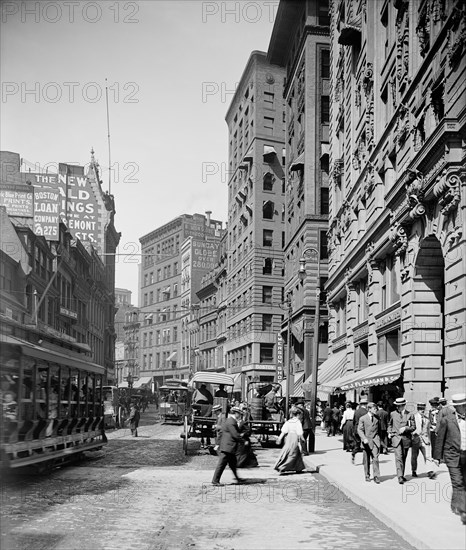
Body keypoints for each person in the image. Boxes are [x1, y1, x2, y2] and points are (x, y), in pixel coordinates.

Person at [433, 393, 466, 525]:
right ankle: (463, 510)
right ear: (456, 407)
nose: (463, 408)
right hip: (452, 455)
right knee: (458, 481)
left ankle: (455, 504)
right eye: (460, 406)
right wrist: (437, 457)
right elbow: (440, 438)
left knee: (463, 481)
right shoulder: (447, 419)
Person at [212, 407, 246, 485]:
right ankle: (215, 481)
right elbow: (235, 435)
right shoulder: (231, 422)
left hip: (228, 446)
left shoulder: (229, 421)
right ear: (236, 413)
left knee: (233, 464)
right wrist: (243, 441)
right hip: (228, 447)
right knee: (221, 465)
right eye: (240, 414)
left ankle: (238, 479)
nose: (240, 416)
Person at [389, 397, 415, 484]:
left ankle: (402, 475)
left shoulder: (410, 415)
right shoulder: (393, 414)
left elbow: (413, 427)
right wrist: (390, 432)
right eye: (397, 406)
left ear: (404, 406)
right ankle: (399, 476)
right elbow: (390, 424)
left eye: (400, 406)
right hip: (396, 438)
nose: (398, 408)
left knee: (403, 457)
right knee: (398, 457)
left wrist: (405, 428)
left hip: (405, 439)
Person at [274, 407, 306, 475]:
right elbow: (299, 432)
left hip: (288, 437)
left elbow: (284, 431)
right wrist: (303, 438)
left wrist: (279, 438)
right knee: (293, 453)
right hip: (294, 437)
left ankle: (298, 468)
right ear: (298, 415)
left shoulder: (288, 422)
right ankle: (283, 466)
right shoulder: (297, 422)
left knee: (288, 451)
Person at [411, 402, 437, 479]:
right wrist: (413, 434)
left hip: (425, 440)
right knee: (414, 456)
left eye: (423, 409)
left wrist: (428, 438)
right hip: (416, 439)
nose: (422, 411)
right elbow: (411, 427)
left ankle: (430, 471)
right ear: (417, 409)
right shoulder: (413, 417)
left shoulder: (427, 419)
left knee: (428, 456)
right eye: (420, 409)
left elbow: (428, 429)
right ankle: (414, 470)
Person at [357, 402, 381, 483]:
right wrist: (364, 438)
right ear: (369, 409)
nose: (376, 410)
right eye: (374, 409)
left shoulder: (377, 418)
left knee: (375, 459)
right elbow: (359, 430)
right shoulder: (363, 418)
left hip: (375, 441)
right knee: (366, 460)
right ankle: (367, 475)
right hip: (366, 442)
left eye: (376, 408)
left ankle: (376, 476)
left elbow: (380, 430)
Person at [351, 396, 368, 463]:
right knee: (365, 444)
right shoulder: (366, 412)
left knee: (357, 443)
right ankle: (365, 460)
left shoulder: (356, 411)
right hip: (363, 430)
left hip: (356, 429)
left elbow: (354, 421)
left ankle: (354, 452)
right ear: (366, 404)